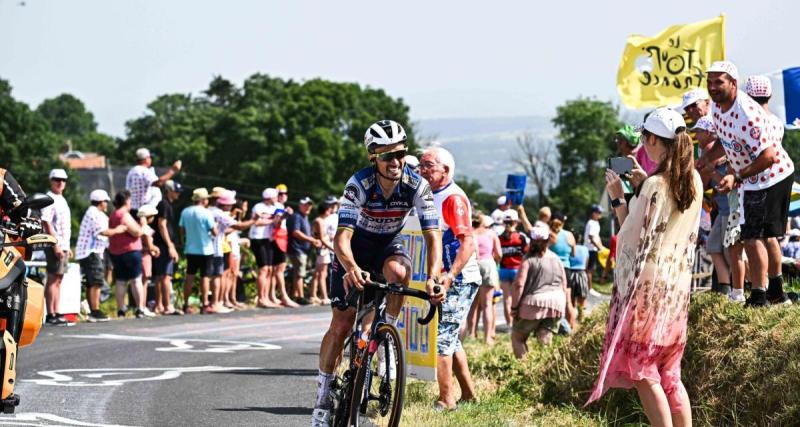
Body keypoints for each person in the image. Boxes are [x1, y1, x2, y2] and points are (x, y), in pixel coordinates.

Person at [312, 120, 442, 427]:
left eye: (399, 154)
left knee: (399, 272)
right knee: (342, 324)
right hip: (355, 249)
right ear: (373, 157)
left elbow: (432, 236)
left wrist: (435, 276)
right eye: (387, 156)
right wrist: (351, 268)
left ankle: (386, 339)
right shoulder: (359, 184)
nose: (395, 162)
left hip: (387, 245)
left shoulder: (417, 186)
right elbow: (341, 238)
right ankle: (322, 397)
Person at [587, 107, 702, 426]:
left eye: (645, 138)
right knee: (670, 373)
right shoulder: (694, 179)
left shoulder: (655, 185)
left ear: (653, 140)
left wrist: (618, 199)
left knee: (642, 371)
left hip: (646, 293)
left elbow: (628, 239)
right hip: (677, 290)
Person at [708, 61, 794, 306]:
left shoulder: (748, 113)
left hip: (773, 175)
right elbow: (724, 140)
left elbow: (769, 156)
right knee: (760, 236)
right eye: (710, 82)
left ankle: (759, 295)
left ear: (734, 84)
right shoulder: (716, 107)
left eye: (719, 82)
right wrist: (705, 160)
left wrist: (736, 176)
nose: (713, 87)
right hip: (753, 179)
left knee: (755, 236)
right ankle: (775, 293)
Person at [419, 146, 481, 409]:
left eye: (429, 166)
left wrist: (450, 275)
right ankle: (469, 394)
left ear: (445, 169)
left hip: (459, 278)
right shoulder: (431, 195)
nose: (423, 171)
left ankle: (446, 400)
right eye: (420, 165)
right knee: (451, 338)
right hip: (446, 276)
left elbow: (467, 242)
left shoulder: (452, 198)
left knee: (442, 338)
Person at [510, 224, 571, 358]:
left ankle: (524, 369)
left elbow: (518, 285)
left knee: (518, 337)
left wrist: (514, 307)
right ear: (547, 240)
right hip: (556, 303)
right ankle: (545, 369)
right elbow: (564, 284)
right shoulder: (556, 259)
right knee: (545, 338)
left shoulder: (528, 259)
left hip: (533, 303)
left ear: (531, 240)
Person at [694, 116, 733, 296]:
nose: (696, 136)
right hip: (722, 209)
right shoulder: (708, 153)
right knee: (714, 247)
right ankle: (726, 289)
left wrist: (707, 170)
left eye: (699, 132)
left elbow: (706, 182)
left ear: (710, 133)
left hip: (731, 210)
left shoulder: (715, 152)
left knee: (731, 252)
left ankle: (742, 288)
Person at [75, 190, 128, 322]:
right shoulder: (95, 213)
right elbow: (103, 232)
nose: (107, 204)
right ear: (101, 201)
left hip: (88, 252)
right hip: (91, 252)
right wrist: (118, 230)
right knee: (97, 282)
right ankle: (95, 310)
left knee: (91, 283)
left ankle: (93, 310)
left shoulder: (93, 212)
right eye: (105, 201)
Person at [108, 191, 154, 319]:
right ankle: (140, 308)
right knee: (136, 280)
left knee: (121, 281)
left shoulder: (113, 214)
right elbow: (136, 232)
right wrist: (143, 224)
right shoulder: (124, 215)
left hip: (116, 251)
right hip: (130, 251)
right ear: (126, 201)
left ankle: (121, 308)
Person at [210, 190, 255, 312]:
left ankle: (214, 302)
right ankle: (217, 302)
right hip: (218, 248)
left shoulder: (207, 210)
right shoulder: (220, 214)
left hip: (208, 248)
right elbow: (238, 227)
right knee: (219, 276)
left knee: (215, 276)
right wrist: (253, 220)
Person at [41, 168, 73, 326]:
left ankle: (57, 311)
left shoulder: (61, 198)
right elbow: (46, 222)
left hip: (63, 244)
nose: (60, 182)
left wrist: (67, 246)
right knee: (53, 279)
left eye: (63, 180)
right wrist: (56, 245)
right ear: (51, 180)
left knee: (59, 279)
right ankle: (51, 313)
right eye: (57, 179)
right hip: (55, 244)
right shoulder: (49, 198)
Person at [179, 188, 218, 314]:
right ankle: (205, 303)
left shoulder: (185, 212)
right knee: (205, 277)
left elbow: (182, 229)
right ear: (203, 200)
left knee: (189, 276)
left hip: (190, 248)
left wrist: (185, 239)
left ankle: (186, 304)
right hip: (205, 249)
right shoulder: (206, 213)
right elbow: (214, 231)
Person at [466, 213, 501, 344]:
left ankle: (471, 334)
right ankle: (487, 337)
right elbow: (499, 253)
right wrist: (496, 262)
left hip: (474, 265)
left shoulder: (471, 233)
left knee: (473, 304)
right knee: (487, 305)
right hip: (488, 265)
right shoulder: (491, 233)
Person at [152, 180, 183, 315]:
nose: (178, 194)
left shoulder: (165, 204)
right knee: (165, 276)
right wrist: (170, 245)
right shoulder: (164, 204)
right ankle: (167, 306)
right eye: (176, 191)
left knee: (160, 276)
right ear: (169, 190)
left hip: (161, 243)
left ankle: (159, 305)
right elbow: (162, 224)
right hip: (164, 244)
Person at [249, 188, 282, 308]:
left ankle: (266, 297)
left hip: (268, 239)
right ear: (268, 197)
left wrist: (280, 219)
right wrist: (272, 220)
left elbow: (276, 222)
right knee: (263, 269)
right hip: (258, 238)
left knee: (269, 269)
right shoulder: (258, 207)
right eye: (274, 196)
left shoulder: (275, 207)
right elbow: (256, 223)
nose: (276, 198)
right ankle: (261, 298)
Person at [498, 209, 529, 328]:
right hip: (518, 270)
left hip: (504, 270)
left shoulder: (500, 237)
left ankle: (509, 325)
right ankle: (518, 323)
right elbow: (526, 254)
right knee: (519, 298)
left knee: (507, 299)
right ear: (516, 222)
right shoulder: (521, 237)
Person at [125, 147, 181, 213]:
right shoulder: (144, 171)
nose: (151, 159)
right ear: (146, 159)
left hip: (131, 209)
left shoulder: (131, 171)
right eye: (149, 157)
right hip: (141, 211)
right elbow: (159, 183)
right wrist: (173, 170)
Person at [287, 196, 321, 304]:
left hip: (303, 250)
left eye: (309, 205)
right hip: (297, 249)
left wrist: (313, 239)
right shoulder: (297, 216)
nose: (308, 207)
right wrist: (311, 240)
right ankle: (300, 297)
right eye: (306, 205)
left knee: (299, 273)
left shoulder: (305, 217)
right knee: (300, 273)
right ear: (300, 205)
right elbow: (296, 232)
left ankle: (296, 295)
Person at [310, 196, 338, 305]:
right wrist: (333, 248)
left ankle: (313, 295)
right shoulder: (320, 221)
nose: (330, 211)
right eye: (328, 210)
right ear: (325, 210)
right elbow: (322, 238)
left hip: (321, 249)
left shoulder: (318, 220)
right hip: (323, 250)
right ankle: (324, 296)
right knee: (322, 274)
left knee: (317, 273)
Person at [137, 204, 160, 311]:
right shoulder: (145, 228)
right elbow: (149, 245)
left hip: (139, 255)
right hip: (145, 256)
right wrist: (155, 249)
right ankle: (142, 305)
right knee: (144, 282)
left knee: (140, 281)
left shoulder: (137, 226)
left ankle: (141, 305)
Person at [583, 204, 605, 297]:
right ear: (593, 213)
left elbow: (597, 237)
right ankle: (589, 289)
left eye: (600, 212)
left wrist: (602, 247)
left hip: (593, 249)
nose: (600, 214)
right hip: (589, 249)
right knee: (589, 269)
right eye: (598, 212)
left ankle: (588, 288)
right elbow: (591, 238)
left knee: (592, 269)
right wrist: (599, 247)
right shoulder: (591, 223)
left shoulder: (596, 223)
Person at [568, 236, 590, 321]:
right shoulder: (585, 249)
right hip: (581, 273)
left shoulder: (569, 248)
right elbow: (587, 263)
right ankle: (581, 318)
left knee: (571, 300)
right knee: (582, 298)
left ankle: (571, 321)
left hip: (571, 273)